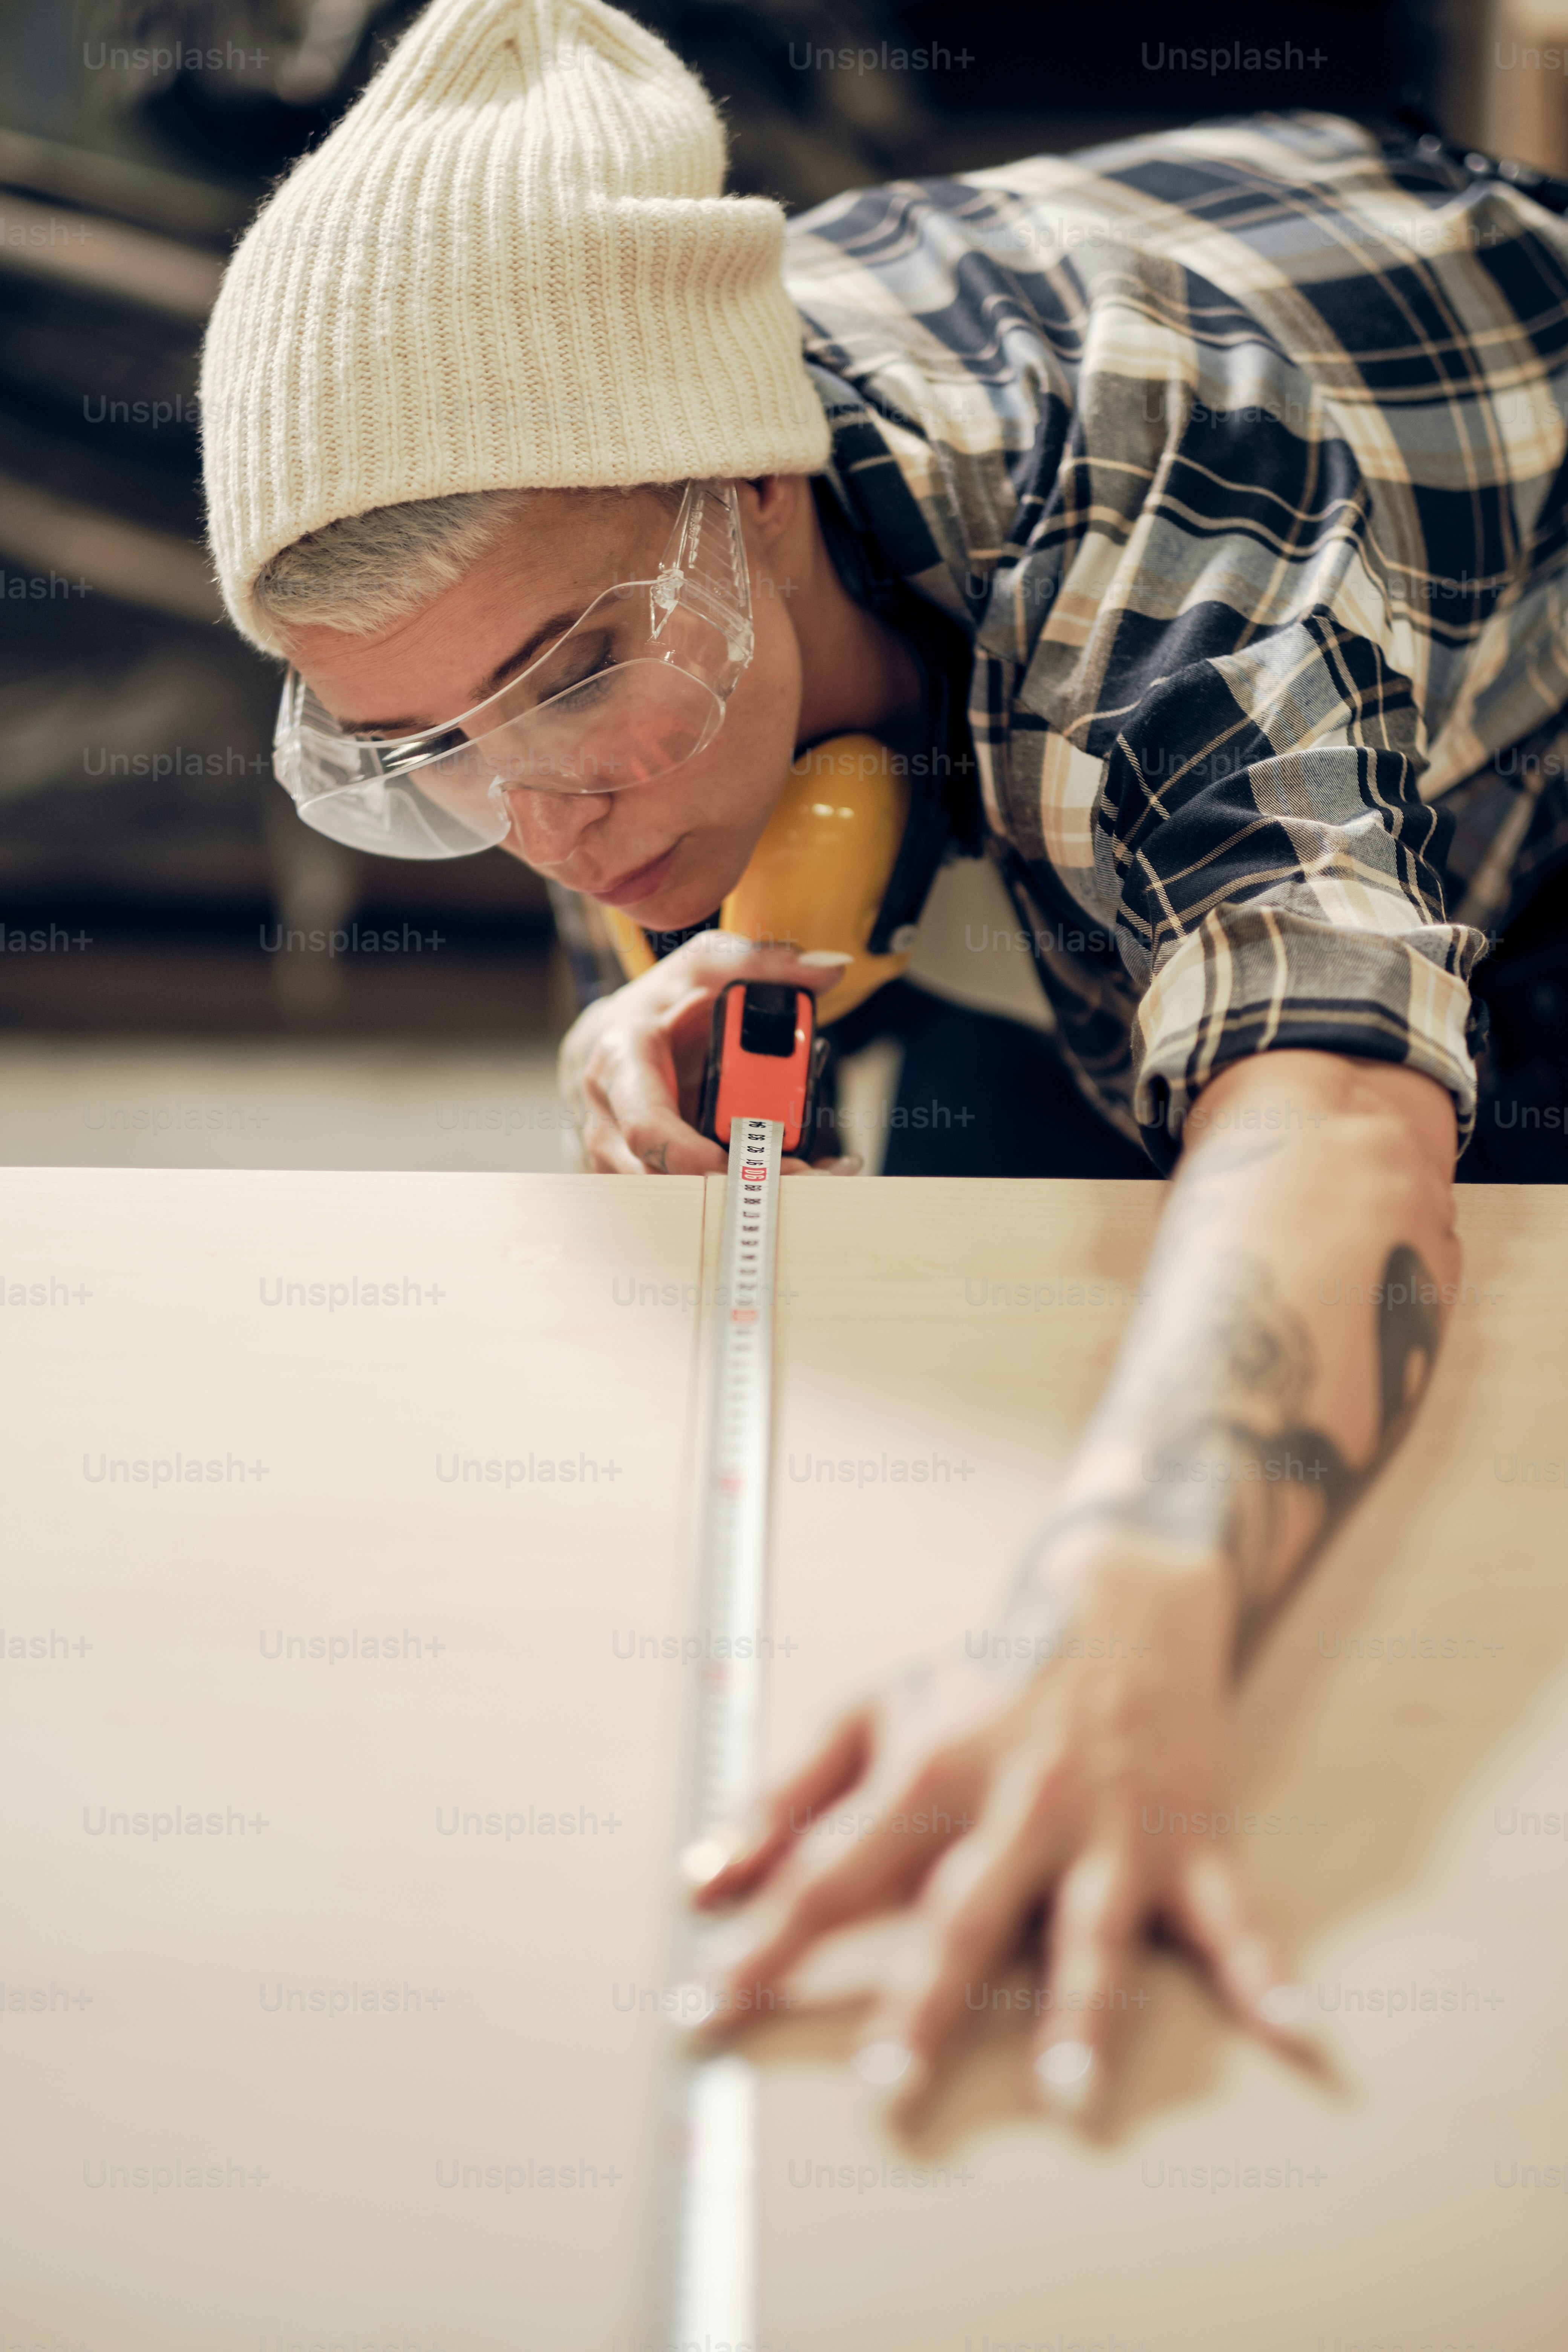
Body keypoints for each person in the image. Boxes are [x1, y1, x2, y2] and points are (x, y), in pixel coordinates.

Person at [198, 0, 1568, 2123]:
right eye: (422, 758)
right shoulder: (619, 472)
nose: (542, 819)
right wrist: (643, 985)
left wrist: (1119, 1627)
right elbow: (579, 752)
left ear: (755, 491)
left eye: (572, 680)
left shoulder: (1159, 501)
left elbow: (1328, 1109)